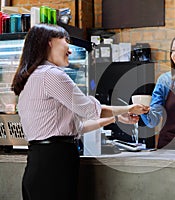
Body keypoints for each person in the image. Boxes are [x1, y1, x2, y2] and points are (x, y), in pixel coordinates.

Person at [11, 24, 149, 200]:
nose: (69, 50)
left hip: (38, 163)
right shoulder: (52, 75)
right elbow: (89, 110)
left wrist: (114, 118)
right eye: (65, 41)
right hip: (54, 164)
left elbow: (77, 126)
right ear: (50, 43)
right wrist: (129, 108)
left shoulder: (31, 76)